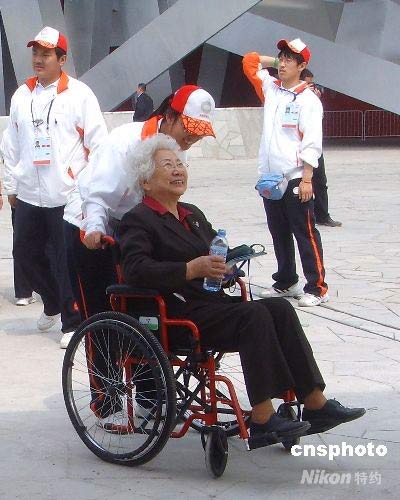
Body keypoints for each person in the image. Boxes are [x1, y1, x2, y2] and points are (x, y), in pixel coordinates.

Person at [117, 134, 365, 441]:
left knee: (279, 308)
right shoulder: (138, 219)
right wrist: (190, 269)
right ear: (145, 181)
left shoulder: (191, 214)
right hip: (175, 315)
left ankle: (315, 403)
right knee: (253, 316)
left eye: (180, 163)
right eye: (167, 165)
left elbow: (216, 251)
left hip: (211, 304)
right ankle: (262, 416)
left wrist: (228, 266)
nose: (178, 170)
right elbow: (135, 269)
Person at [0, 26, 108, 346]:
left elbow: (98, 143)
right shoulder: (22, 95)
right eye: (35, 53)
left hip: (66, 193)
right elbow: (11, 144)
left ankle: (71, 323)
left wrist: (87, 187)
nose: (38, 59)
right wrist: (11, 185)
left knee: (64, 263)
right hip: (29, 193)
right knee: (25, 255)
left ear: (61, 59)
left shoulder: (80, 94)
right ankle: (52, 303)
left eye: (46, 54)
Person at [242, 38, 329, 307]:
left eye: (289, 60)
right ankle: (286, 280)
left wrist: (307, 179)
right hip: (271, 178)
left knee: (304, 231)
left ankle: (317, 287)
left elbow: (312, 141)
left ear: (302, 66)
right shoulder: (271, 88)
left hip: (295, 176)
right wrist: (274, 60)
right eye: (281, 58)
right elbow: (249, 61)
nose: (282, 64)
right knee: (278, 231)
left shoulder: (308, 100)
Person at [300, 69, 342, 227]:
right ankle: (304, 215)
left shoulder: (312, 100)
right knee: (300, 184)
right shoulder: (292, 97)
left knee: (320, 182)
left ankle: (322, 215)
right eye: (307, 83)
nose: (310, 86)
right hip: (299, 148)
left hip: (314, 147)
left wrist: (315, 98)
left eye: (312, 83)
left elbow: (318, 119)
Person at [1, 131, 36, 306]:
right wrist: (11, 190)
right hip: (23, 192)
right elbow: (9, 160)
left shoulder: (53, 121)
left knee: (53, 246)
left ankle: (55, 289)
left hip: (52, 193)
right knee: (21, 243)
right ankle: (23, 291)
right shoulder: (12, 132)